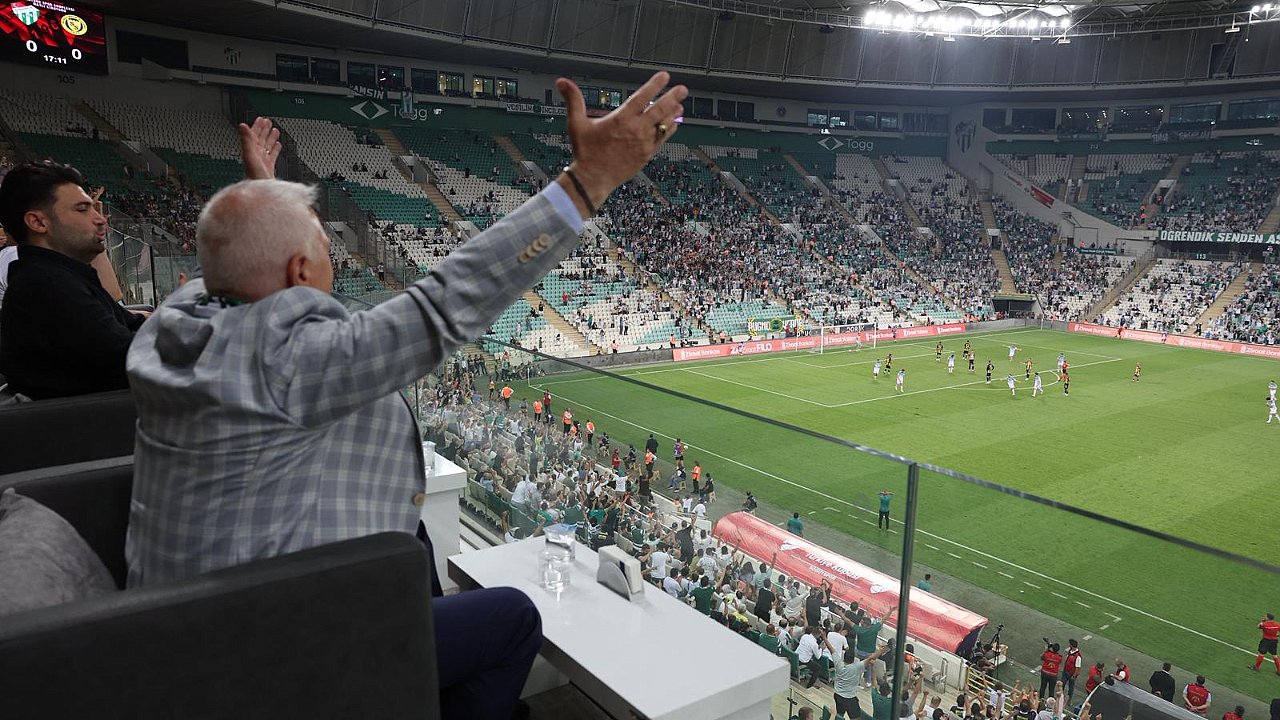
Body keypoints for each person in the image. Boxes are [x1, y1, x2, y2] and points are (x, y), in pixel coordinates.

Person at [123, 71, 689, 720]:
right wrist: (588, 181)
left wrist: (265, 195)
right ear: (300, 271)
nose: (334, 257)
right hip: (266, 659)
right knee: (510, 619)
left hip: (183, 632)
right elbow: (443, 305)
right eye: (323, 246)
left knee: (415, 546)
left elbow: (239, 265)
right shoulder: (287, 365)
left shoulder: (175, 323)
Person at [0, 162, 148, 399]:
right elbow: (133, 358)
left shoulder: (64, 275)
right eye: (82, 210)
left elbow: (132, 325)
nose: (100, 219)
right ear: (38, 222)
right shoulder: (46, 285)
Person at [834, 644, 890, 719]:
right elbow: (871, 658)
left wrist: (824, 638)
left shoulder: (838, 664)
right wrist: (881, 651)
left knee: (839, 714)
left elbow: (831, 649)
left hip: (838, 695)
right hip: (849, 698)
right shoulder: (856, 667)